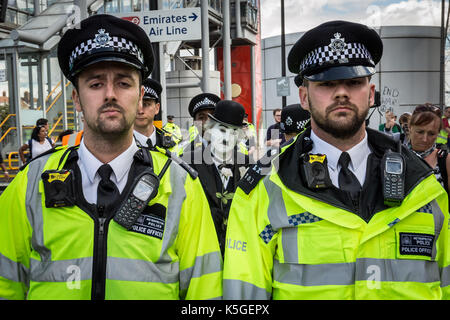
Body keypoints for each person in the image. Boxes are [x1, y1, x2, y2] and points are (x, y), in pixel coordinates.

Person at [223, 20, 450, 300]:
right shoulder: (264, 189)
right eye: (327, 83)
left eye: (354, 82)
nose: (341, 92)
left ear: (370, 93)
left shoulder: (423, 187)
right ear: (304, 97)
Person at [0, 14, 222, 300]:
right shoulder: (29, 185)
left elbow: (205, 294)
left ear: (141, 96)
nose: (109, 95)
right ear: (76, 98)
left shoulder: (181, 187)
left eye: (123, 83)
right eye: (95, 84)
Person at [182, 100, 250, 255]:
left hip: (237, 253)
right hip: (199, 249)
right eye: (222, 130)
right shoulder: (186, 162)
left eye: (233, 131)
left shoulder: (249, 165)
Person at [408, 104, 450, 195]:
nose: (425, 139)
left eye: (431, 134)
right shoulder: (395, 156)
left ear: (438, 133)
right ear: (410, 127)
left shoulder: (445, 160)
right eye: (420, 132)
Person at [134, 78, 178, 152]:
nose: (140, 111)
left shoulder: (170, 142)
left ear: (157, 108)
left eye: (146, 104)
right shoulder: (117, 144)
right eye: (135, 104)